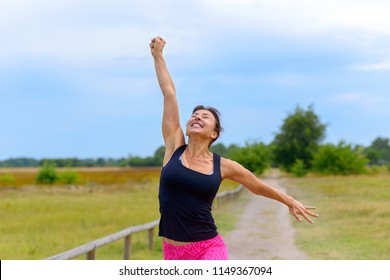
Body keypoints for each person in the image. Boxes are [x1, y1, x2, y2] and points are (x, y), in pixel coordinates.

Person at [150, 36, 319, 260]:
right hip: (172, 251)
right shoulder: (174, 147)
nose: (197, 117)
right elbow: (169, 93)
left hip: (208, 248)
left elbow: (257, 186)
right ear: (187, 127)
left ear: (214, 134)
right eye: (194, 115)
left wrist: (290, 200)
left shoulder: (223, 166)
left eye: (205, 117)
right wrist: (158, 56)